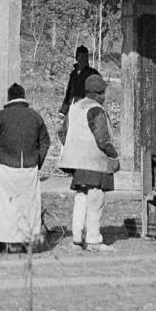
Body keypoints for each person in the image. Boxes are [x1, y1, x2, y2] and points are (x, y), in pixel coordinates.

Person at [0, 82, 51, 255]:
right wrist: (37, 161)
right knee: (29, 205)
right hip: (29, 167)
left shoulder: (1, 116)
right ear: (23, 97)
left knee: (5, 204)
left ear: (9, 98)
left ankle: (5, 241)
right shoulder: (35, 117)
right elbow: (45, 141)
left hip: (6, 166)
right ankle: (26, 242)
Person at [59, 73, 121, 252]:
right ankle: (94, 240)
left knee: (80, 199)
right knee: (95, 201)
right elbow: (103, 140)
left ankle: (77, 239)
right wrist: (114, 155)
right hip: (95, 164)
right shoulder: (96, 110)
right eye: (104, 93)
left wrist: (75, 149)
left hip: (78, 164)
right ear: (99, 93)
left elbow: (62, 134)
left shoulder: (75, 107)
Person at [59, 46, 102, 116]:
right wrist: (65, 107)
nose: (84, 59)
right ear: (77, 58)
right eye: (82, 56)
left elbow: (100, 92)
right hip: (72, 108)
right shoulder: (73, 74)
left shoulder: (93, 73)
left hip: (86, 110)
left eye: (86, 57)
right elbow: (69, 92)